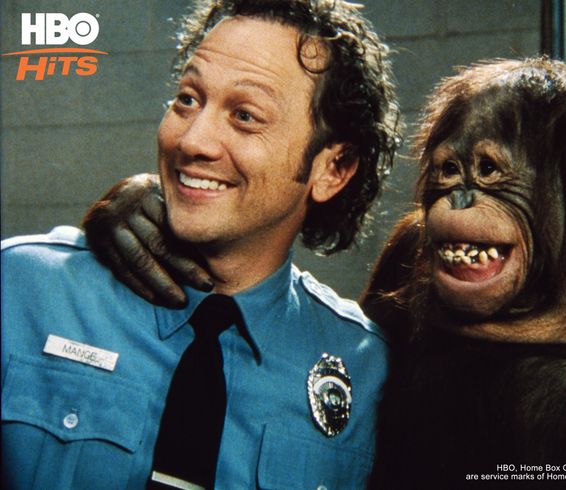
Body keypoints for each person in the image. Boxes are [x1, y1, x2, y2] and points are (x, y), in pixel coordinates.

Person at [1, 1, 400, 488]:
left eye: (246, 115)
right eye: (188, 99)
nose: (194, 140)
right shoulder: (21, 289)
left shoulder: (364, 366)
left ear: (332, 168)